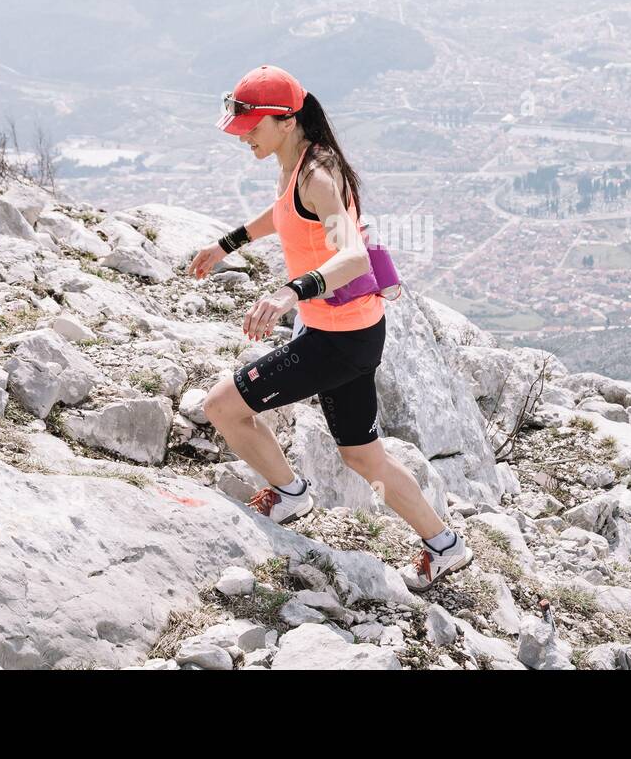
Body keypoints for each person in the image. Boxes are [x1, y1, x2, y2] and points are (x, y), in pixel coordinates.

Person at [188, 65, 472, 592]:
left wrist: (289, 292)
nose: (243, 135)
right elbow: (285, 215)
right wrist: (226, 244)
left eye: (251, 126)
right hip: (349, 332)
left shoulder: (319, 174)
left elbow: (353, 256)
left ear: (285, 119)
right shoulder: (293, 163)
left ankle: (290, 493)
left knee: (221, 407)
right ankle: (446, 546)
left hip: (337, 339)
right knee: (361, 453)